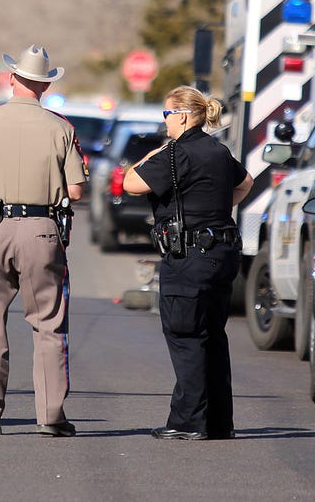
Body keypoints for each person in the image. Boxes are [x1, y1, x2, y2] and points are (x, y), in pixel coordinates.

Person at [0, 45, 87, 438]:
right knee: (47, 324)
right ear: (45, 85)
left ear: (12, 79)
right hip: (41, 229)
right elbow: (76, 190)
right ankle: (50, 415)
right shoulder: (61, 127)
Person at [123, 85, 253, 441]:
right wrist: (217, 208)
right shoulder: (217, 150)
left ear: (181, 115)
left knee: (186, 336)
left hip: (190, 256)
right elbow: (246, 183)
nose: (164, 122)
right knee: (212, 336)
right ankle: (218, 422)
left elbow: (130, 182)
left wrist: (157, 152)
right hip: (223, 252)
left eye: (166, 114)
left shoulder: (176, 153)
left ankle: (187, 421)